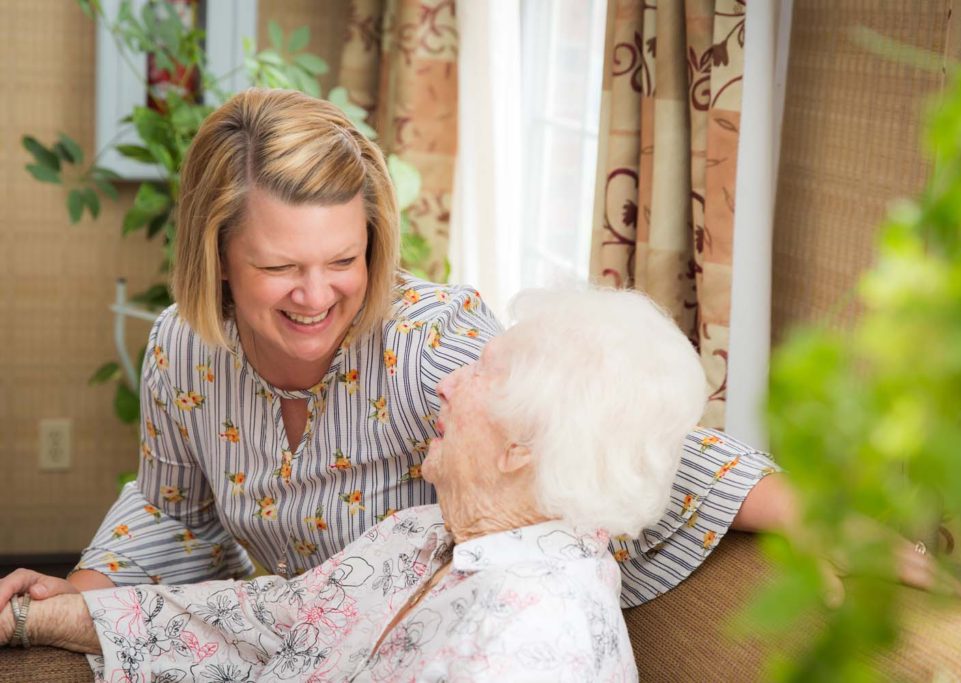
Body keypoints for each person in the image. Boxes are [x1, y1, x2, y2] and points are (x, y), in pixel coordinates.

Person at [0, 87, 795, 616]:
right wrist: (75, 600)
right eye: (279, 268)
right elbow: (170, 515)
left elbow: (610, 432)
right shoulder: (183, 345)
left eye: (343, 260)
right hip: (293, 637)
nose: (316, 296)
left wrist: (817, 515)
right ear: (216, 259)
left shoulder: (434, 344)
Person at [2, 287, 708, 681]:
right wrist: (46, 614)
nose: (447, 380)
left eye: (481, 371)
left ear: (523, 444)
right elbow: (266, 620)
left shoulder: (528, 640)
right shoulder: (428, 536)